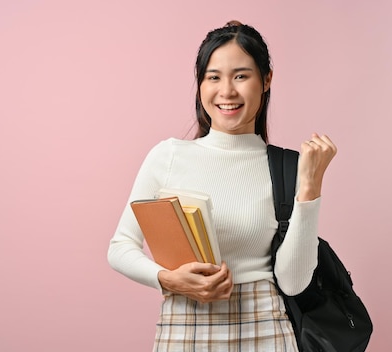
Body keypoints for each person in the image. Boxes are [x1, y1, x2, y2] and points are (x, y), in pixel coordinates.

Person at [107, 20, 337, 351]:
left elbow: (294, 281)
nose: (226, 91)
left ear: (266, 79)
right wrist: (167, 279)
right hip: (184, 326)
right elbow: (120, 247)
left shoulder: (288, 167)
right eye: (213, 77)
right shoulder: (168, 156)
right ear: (200, 84)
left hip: (265, 328)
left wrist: (310, 188)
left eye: (241, 76)